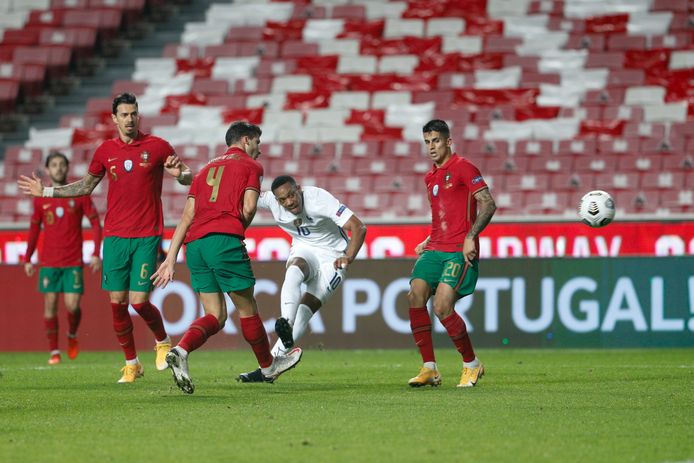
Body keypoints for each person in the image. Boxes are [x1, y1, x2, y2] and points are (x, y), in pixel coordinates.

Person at [18, 92, 193, 383]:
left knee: (138, 301)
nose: (130, 119)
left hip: (146, 235)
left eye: (134, 113)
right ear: (114, 118)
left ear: (139, 115)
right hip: (114, 238)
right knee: (117, 303)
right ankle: (132, 363)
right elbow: (86, 186)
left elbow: (187, 175)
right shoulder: (105, 151)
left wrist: (181, 174)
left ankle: (162, 342)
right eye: (124, 114)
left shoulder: (158, 146)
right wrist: (47, 192)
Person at [150, 121, 302, 394]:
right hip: (224, 240)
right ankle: (268, 366)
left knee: (215, 315)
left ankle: (181, 351)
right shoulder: (251, 167)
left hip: (194, 246)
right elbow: (249, 206)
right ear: (246, 140)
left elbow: (186, 216)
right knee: (247, 309)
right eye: (257, 142)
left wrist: (170, 259)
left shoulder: (205, 170)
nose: (259, 149)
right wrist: (234, 230)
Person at [237, 175, 367, 382]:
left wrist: (348, 256)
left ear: (299, 189)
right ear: (276, 199)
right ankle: (285, 323)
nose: (289, 202)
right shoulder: (270, 200)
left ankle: (268, 367)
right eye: (283, 199)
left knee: (305, 311)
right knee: (293, 270)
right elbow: (238, 191)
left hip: (333, 257)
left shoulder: (318, 198)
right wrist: (194, 181)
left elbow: (358, 227)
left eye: (291, 195)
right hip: (304, 248)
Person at [407, 119, 496, 389]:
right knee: (415, 295)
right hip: (435, 248)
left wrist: (471, 237)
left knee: (443, 306)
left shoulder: (464, 168)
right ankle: (429, 368)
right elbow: (443, 215)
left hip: (459, 250)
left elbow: (488, 204)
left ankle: (471, 364)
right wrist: (428, 239)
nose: (431, 147)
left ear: (448, 141)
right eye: (427, 142)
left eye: (435, 141)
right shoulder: (430, 176)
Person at [24, 152, 102, 365]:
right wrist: (28, 258)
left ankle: (72, 335)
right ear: (48, 170)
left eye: (61, 165)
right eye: (54, 165)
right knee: (49, 305)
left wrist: (96, 253)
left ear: (67, 168)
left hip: (73, 260)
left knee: (72, 306)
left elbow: (96, 223)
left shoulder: (78, 194)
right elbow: (34, 228)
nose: (58, 168)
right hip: (49, 261)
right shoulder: (41, 198)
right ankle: (54, 352)